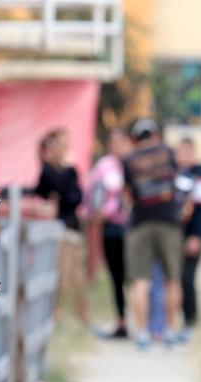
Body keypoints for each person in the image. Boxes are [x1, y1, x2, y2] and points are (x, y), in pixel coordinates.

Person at [122, 118, 183, 349]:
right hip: (169, 222)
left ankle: (143, 333)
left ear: (135, 139)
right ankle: (168, 331)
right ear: (156, 134)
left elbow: (128, 193)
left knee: (140, 281)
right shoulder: (168, 152)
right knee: (172, 279)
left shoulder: (129, 160)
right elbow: (176, 181)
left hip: (140, 223)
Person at [35, 129, 87, 323]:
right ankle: (57, 313)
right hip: (56, 228)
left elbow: (75, 197)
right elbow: (46, 194)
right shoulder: (48, 170)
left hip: (70, 226)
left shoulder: (69, 170)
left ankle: (81, 314)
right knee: (60, 274)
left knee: (75, 273)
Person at [85, 128, 133, 338]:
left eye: (121, 142)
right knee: (117, 277)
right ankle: (122, 321)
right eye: (113, 142)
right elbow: (92, 192)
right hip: (111, 229)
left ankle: (142, 322)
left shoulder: (134, 164)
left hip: (133, 228)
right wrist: (93, 214)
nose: (117, 146)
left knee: (136, 277)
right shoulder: (104, 166)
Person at [175, 136, 201, 340]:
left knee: (187, 278)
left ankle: (191, 321)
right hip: (174, 235)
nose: (185, 156)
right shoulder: (173, 173)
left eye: (188, 152)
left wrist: (196, 236)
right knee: (175, 280)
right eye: (181, 152)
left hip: (191, 236)